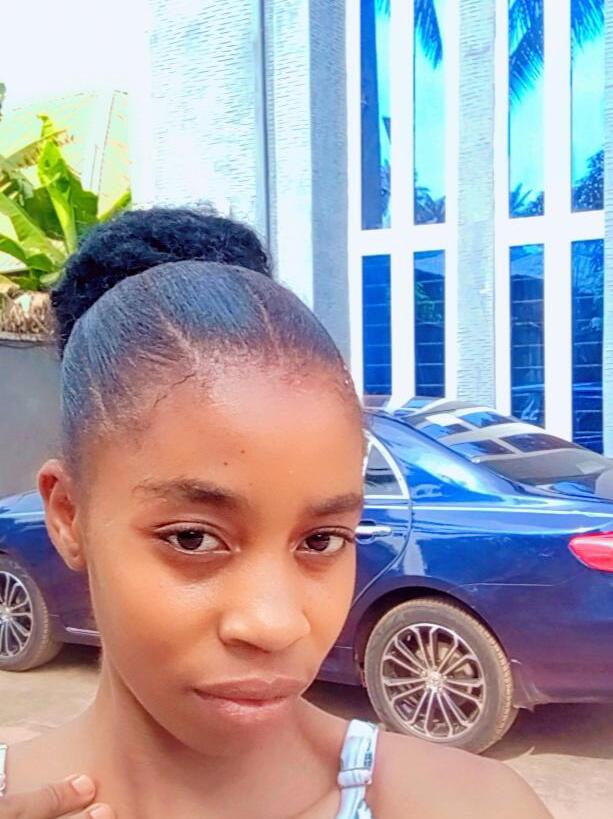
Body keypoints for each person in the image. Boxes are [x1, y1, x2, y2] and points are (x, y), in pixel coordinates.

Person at [0, 208, 552, 819]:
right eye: (193, 538)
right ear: (68, 515)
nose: (274, 625)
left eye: (321, 541)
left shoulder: (469, 807)